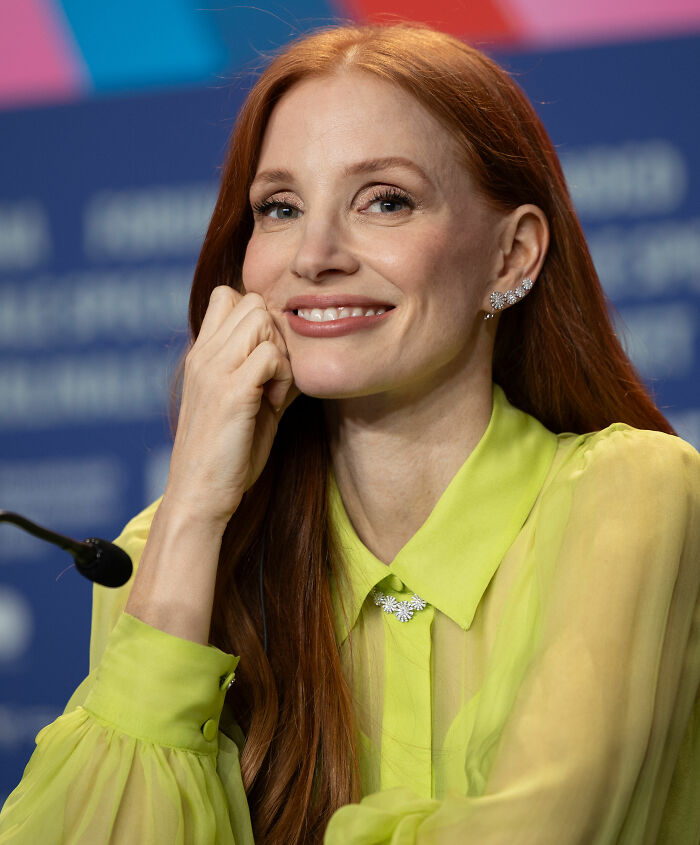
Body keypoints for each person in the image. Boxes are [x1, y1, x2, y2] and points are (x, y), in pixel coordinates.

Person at [1, 20, 698, 845]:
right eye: (281, 207)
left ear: (512, 257)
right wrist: (191, 508)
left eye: (386, 200)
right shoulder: (164, 549)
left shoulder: (637, 491)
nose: (316, 254)